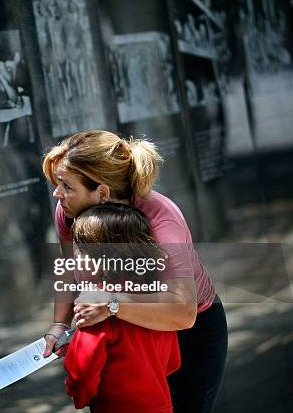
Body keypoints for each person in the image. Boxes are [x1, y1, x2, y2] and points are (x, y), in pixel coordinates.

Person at [42, 130, 228, 413]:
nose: (58, 194)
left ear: (102, 192)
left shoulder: (163, 221)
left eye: (66, 185)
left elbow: (183, 313)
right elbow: (68, 269)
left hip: (187, 330)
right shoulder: (68, 210)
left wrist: (112, 304)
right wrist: (59, 326)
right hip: (121, 329)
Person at [64, 202, 181, 412]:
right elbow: (172, 361)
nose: (75, 258)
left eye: (80, 249)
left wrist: (77, 394)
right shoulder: (155, 297)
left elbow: (82, 372)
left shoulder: (95, 306)